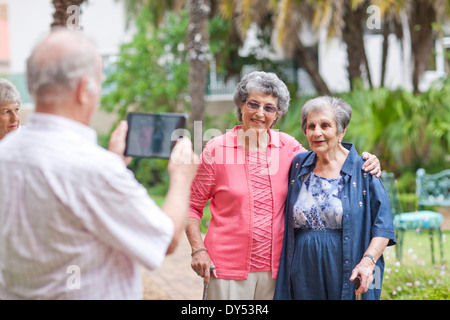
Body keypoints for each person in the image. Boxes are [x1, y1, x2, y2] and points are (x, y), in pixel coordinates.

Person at [0, 29, 198, 300]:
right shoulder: (93, 169)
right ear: (84, 89)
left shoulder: (8, 153)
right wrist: (182, 177)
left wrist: (114, 161)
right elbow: (166, 239)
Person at [186, 71, 382, 300]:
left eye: (269, 108)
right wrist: (198, 250)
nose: (260, 113)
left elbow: (328, 160)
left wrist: (365, 161)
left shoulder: (289, 149)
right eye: (253, 104)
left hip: (278, 272)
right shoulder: (216, 150)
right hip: (226, 268)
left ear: (277, 114)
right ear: (241, 106)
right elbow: (191, 206)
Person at [274, 96, 396, 300]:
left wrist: (368, 262)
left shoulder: (363, 169)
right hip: (302, 267)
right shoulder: (298, 165)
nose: (317, 132)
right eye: (310, 126)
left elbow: (383, 226)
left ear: (342, 131)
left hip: (345, 263)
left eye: (325, 125)